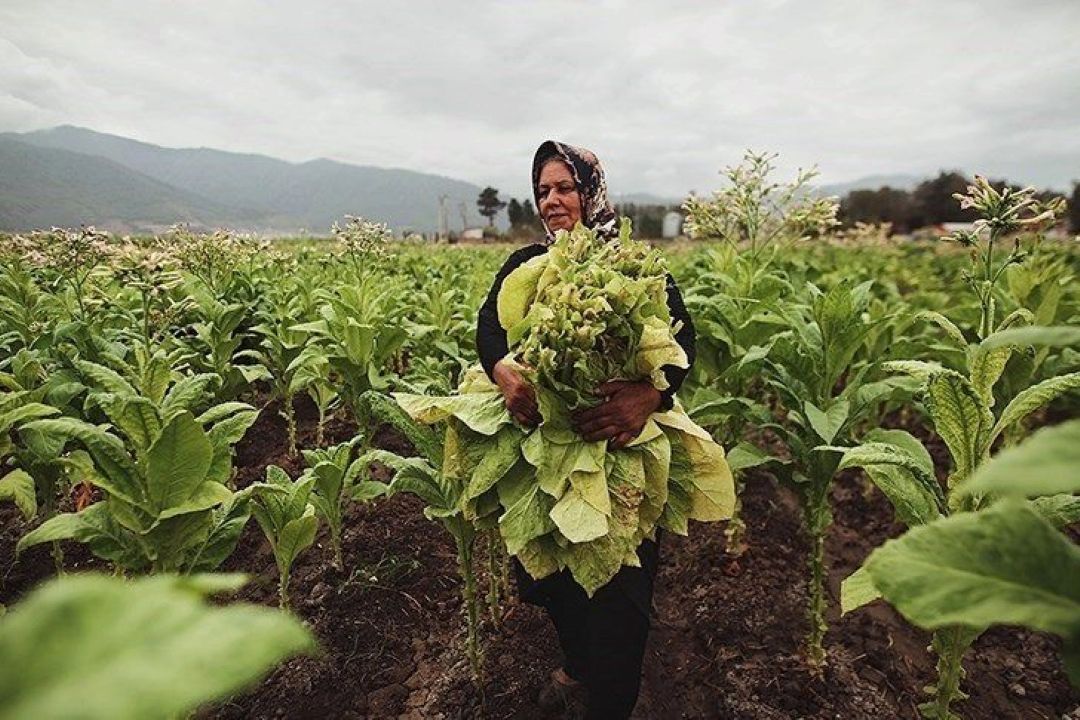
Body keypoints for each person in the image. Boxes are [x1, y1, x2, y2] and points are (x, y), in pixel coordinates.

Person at [475, 140, 696, 719]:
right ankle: (577, 666)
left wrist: (649, 396)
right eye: (543, 190)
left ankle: (613, 703)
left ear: (590, 190)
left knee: (622, 594)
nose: (552, 200)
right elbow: (488, 330)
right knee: (553, 582)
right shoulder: (524, 263)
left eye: (565, 187)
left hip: (620, 450)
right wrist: (502, 370)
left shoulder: (633, 265)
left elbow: (683, 344)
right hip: (544, 451)